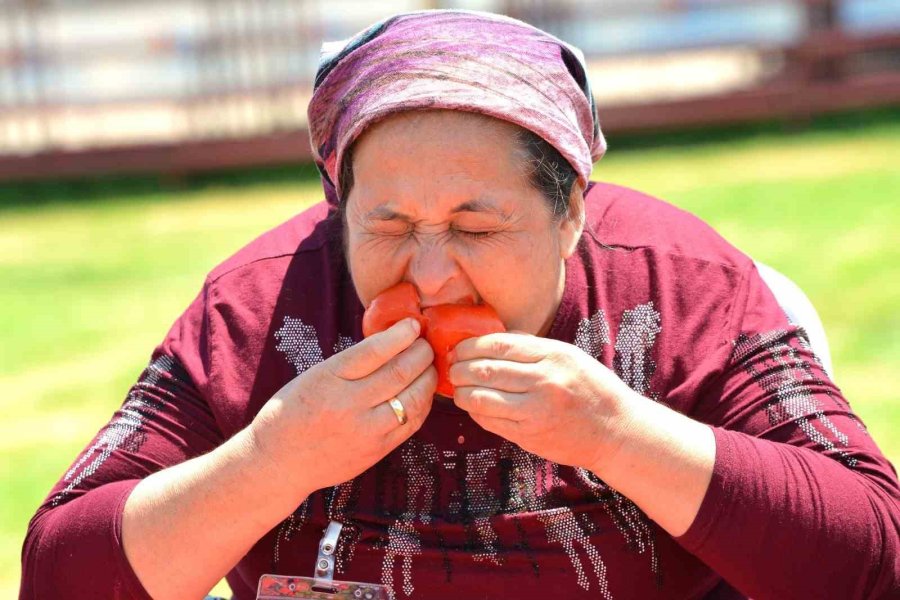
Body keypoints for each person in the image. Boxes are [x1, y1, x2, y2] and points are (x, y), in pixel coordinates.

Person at [20, 10, 900, 600]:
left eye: (477, 228)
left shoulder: (679, 288)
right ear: (340, 209)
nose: (432, 274)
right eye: (389, 224)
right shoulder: (261, 309)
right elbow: (58, 575)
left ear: (570, 219)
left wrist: (618, 433)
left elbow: (873, 560)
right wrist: (270, 461)